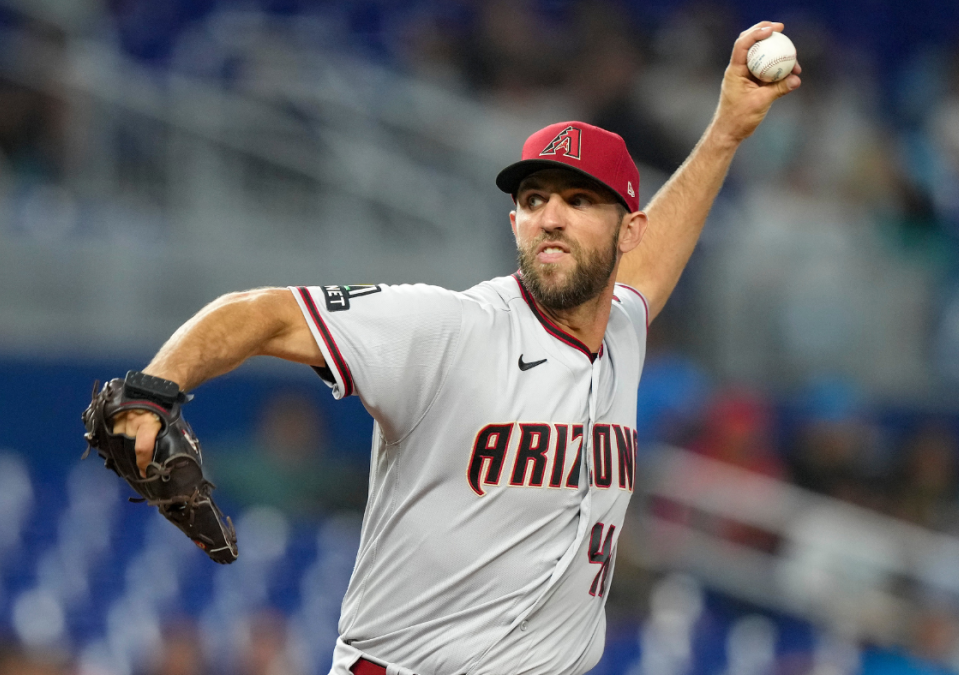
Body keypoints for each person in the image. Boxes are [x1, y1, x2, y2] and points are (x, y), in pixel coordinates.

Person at [112, 21, 800, 675]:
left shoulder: (622, 326)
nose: (551, 216)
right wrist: (153, 389)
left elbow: (654, 262)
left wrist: (727, 130)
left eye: (579, 199)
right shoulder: (451, 327)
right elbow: (261, 313)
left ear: (628, 231)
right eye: (534, 199)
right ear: (514, 221)